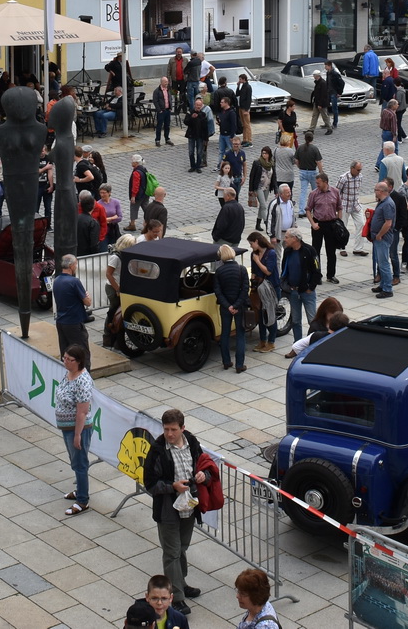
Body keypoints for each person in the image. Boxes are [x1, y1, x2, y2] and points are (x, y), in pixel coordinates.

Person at [146, 409, 211, 612]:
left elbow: (205, 466)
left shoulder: (191, 442)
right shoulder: (157, 450)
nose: (170, 434)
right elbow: (149, 483)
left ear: (183, 428)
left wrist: (203, 475)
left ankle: (180, 584)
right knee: (172, 552)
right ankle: (177, 597)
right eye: (166, 429)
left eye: (174, 429)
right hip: (167, 510)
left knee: (182, 547)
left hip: (189, 507)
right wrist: (172, 487)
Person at [54, 344, 95, 516]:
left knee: (80, 463)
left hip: (78, 429)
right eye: (64, 358)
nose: (65, 362)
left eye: (70, 360)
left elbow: (82, 412)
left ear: (79, 362)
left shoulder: (83, 381)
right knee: (74, 461)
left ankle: (82, 500)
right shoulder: (69, 374)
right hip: (67, 427)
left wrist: (78, 435)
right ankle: (79, 490)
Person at [279, 230, 318, 342]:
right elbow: (284, 268)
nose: (284, 240)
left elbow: (317, 271)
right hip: (293, 291)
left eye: (287, 237)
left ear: (294, 238)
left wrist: (311, 287)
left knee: (312, 321)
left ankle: (313, 346)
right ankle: (297, 346)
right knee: (295, 321)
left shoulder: (309, 250)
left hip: (307, 292)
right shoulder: (287, 251)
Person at [215, 244, 249, 372]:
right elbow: (245, 289)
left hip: (225, 307)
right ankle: (239, 365)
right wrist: (236, 305)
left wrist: (228, 306)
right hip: (239, 306)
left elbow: (218, 291)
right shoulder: (242, 269)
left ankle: (226, 361)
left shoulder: (219, 272)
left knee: (225, 333)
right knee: (240, 334)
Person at [307, 171, 344, 285]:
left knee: (331, 251)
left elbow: (339, 207)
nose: (316, 185)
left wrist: (338, 222)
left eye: (318, 183)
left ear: (325, 182)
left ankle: (331, 275)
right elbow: (308, 209)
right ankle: (317, 275)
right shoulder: (314, 194)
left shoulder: (335, 192)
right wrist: (313, 223)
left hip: (331, 224)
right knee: (316, 251)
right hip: (318, 224)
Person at [53, 254, 91, 359]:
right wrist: (87, 296)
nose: (76, 267)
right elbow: (87, 302)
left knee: (65, 353)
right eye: (75, 264)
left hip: (61, 321)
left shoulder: (56, 281)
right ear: (71, 266)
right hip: (73, 323)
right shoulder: (74, 282)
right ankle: (84, 374)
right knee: (81, 353)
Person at [369, 181, 398, 298]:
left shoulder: (388, 204)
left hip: (383, 238)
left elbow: (388, 223)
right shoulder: (382, 202)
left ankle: (387, 289)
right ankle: (383, 285)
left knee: (384, 263)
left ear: (381, 191)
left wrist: (380, 235)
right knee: (381, 264)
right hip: (378, 237)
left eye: (375, 190)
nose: (374, 192)